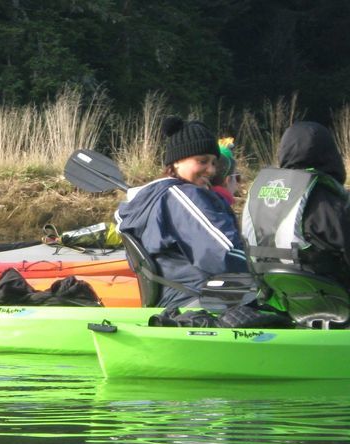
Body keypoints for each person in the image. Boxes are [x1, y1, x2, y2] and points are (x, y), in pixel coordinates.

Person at [115, 116, 248, 307]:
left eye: (213, 163)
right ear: (176, 162)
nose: (210, 170)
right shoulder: (185, 197)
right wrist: (262, 272)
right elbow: (224, 255)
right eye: (202, 161)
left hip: (172, 300)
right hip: (202, 301)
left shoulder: (152, 197)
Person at [241, 121, 350, 289]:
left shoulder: (258, 193)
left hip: (276, 293)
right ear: (330, 154)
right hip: (329, 297)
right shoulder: (324, 198)